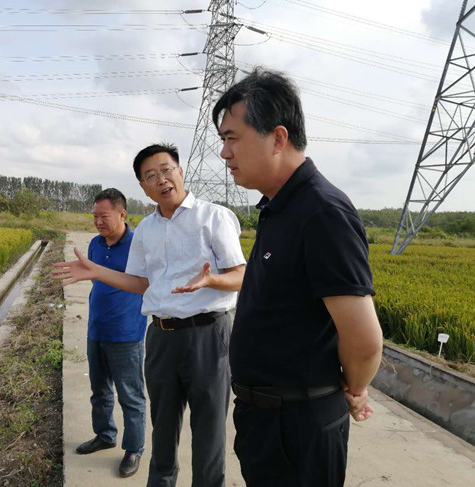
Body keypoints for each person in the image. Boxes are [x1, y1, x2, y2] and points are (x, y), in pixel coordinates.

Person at [212, 68, 384, 487]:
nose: (224, 153)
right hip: (268, 419)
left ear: (278, 138)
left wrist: (354, 389)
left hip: (297, 426)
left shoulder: (322, 212)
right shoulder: (279, 206)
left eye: (232, 138)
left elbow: (364, 340)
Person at [53, 143, 246, 487]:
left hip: (207, 334)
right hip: (160, 336)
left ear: (180, 172)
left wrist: (212, 280)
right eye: (151, 176)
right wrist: (97, 271)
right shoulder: (146, 230)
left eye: (166, 170)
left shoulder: (214, 217)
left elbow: (240, 275)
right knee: (163, 425)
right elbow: (141, 282)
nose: (161, 179)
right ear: (143, 187)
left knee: (208, 429)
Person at [76, 188, 147, 478]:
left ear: (122, 214)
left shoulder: (137, 245)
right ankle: (105, 435)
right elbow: (95, 281)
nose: (98, 222)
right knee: (100, 390)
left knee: (130, 396)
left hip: (126, 334)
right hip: (96, 329)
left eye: (104, 216)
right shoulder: (95, 244)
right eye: (95, 216)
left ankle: (134, 449)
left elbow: (144, 283)